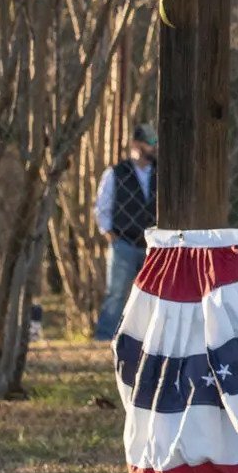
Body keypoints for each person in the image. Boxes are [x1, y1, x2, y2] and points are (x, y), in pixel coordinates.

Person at [92, 122, 157, 340]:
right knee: (117, 293)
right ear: (135, 144)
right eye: (149, 144)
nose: (153, 148)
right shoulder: (116, 173)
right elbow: (102, 206)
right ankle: (105, 336)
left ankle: (147, 337)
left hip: (153, 244)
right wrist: (110, 234)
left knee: (152, 294)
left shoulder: (160, 173)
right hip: (124, 242)